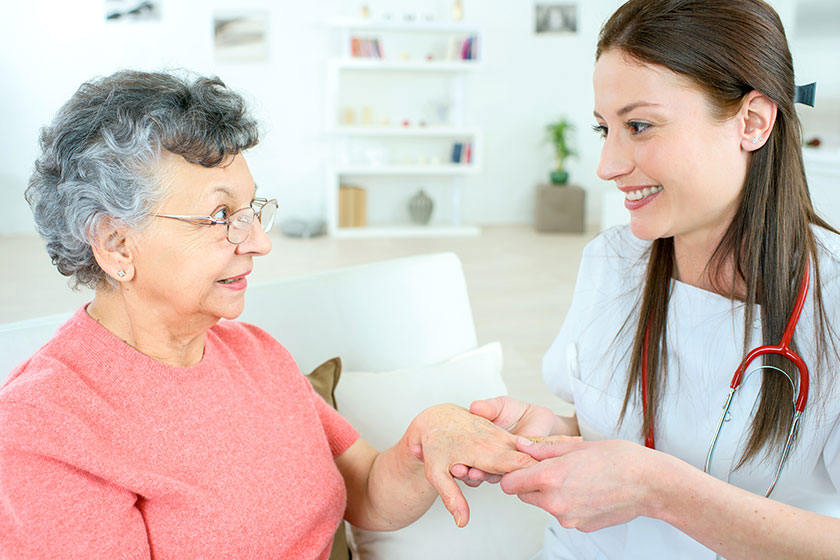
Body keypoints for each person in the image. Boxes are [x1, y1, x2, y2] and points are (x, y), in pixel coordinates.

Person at [0, 70, 534, 559]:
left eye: (253, 211)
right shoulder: (45, 424)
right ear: (116, 244)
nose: (259, 241)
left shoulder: (257, 353)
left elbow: (367, 489)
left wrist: (428, 437)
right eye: (220, 215)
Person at [461, 0, 840, 558]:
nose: (607, 164)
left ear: (753, 122)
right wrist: (549, 431)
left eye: (639, 126)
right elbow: (610, 437)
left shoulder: (831, 298)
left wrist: (658, 491)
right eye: (604, 129)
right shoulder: (613, 262)